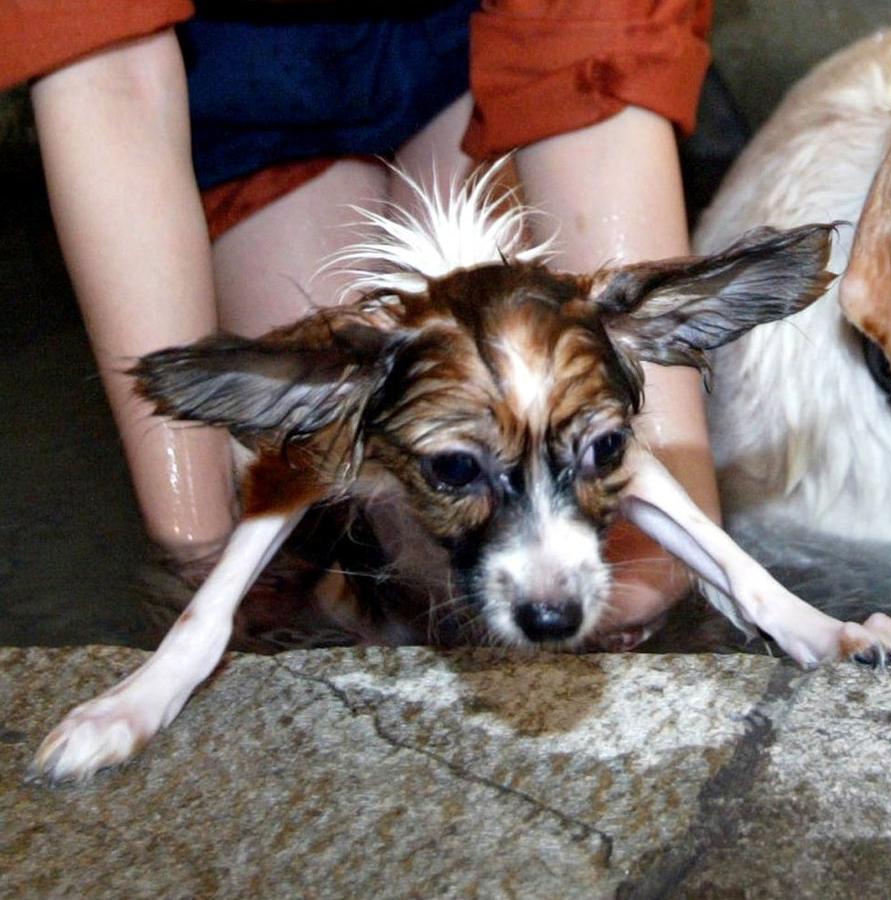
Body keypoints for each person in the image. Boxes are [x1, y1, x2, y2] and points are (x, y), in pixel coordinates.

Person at [2, 0, 720, 648]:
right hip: (241, 88)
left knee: (633, 586)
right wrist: (198, 554)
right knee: (367, 527)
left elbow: (588, 42)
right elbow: (107, 80)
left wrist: (650, 463)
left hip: (473, 58)